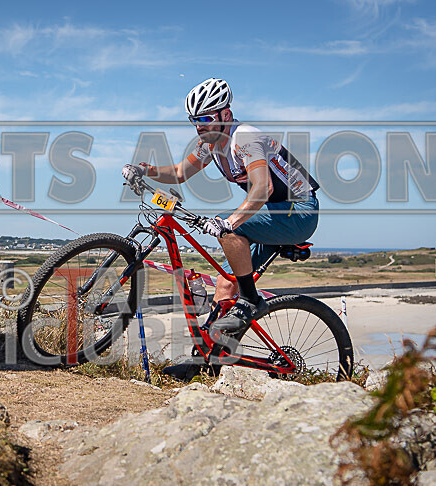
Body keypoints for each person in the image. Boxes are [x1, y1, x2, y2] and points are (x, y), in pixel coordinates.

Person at [122, 78, 320, 341]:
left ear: (225, 113)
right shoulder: (210, 145)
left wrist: (229, 222)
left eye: (205, 119)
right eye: (194, 120)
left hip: (299, 212)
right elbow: (180, 173)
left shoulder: (245, 139)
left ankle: (251, 300)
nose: (198, 127)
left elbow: (264, 189)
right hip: (271, 214)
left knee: (228, 224)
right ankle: (209, 358)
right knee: (225, 283)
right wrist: (144, 169)